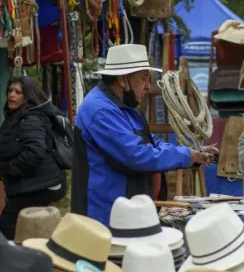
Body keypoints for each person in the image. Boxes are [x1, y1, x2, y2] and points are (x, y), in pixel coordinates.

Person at [71, 44, 217, 226]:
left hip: (126, 212)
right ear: (123, 79)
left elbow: (152, 143)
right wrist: (186, 156)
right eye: (143, 79)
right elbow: (136, 155)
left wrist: (193, 152)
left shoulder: (124, 106)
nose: (148, 86)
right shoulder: (100, 110)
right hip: (104, 216)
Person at [0, 76, 66, 239]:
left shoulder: (30, 119)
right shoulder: (18, 116)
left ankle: (13, 261)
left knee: (7, 228)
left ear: (27, 97)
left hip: (38, 185)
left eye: (18, 92)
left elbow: (35, 151)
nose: (12, 95)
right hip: (34, 184)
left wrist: (10, 170)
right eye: (10, 91)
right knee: (27, 229)